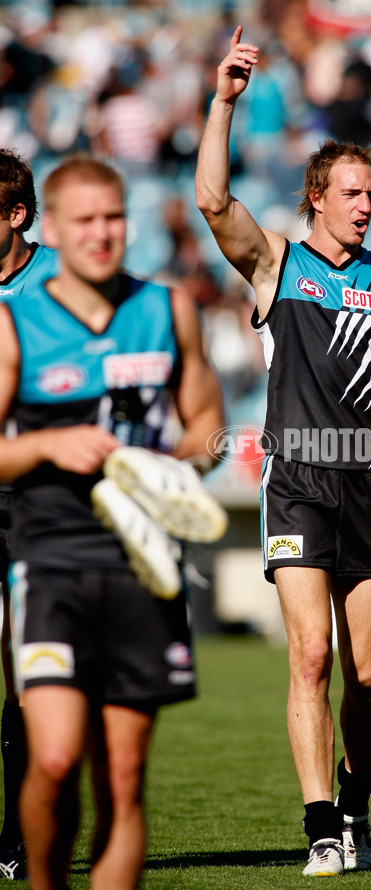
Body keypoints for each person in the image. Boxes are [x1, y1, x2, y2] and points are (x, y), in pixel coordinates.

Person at [195, 27, 371, 877]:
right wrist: (225, 100)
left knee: (365, 677)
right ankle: (321, 825)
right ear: (316, 198)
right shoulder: (277, 266)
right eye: (351, 192)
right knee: (310, 656)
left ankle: (357, 789)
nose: (366, 204)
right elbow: (214, 202)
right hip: (296, 480)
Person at [0, 154, 224, 890]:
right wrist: (43, 445)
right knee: (56, 759)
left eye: (114, 218)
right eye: (87, 220)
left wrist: (178, 463)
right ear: (55, 227)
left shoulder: (168, 311)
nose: (102, 234)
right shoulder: (14, 321)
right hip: (52, 556)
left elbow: (210, 428)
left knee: (122, 777)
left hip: (142, 561)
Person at [0, 148, 58, 880]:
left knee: (23, 678)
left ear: (15, 216)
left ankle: (15, 832)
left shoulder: (65, 281)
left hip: (41, 499)